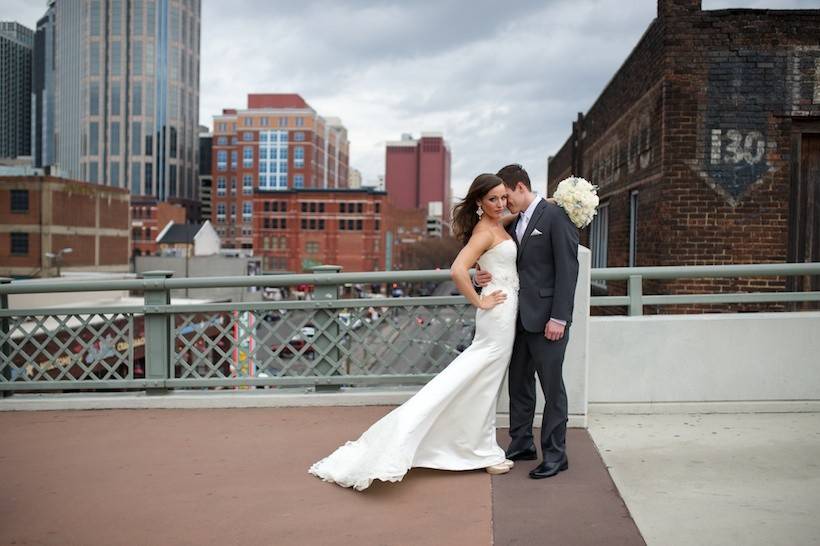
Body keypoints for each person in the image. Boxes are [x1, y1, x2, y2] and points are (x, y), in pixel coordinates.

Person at [308, 173, 519, 490]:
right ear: (479, 202)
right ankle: (480, 451)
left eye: (504, 197)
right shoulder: (483, 231)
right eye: (493, 199)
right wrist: (480, 300)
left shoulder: (497, 224)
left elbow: (514, 219)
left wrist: (544, 203)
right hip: (497, 314)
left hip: (504, 313)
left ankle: (479, 447)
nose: (501, 203)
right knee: (479, 381)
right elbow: (457, 270)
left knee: (481, 382)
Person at [475, 164, 579, 479]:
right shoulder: (514, 222)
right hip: (517, 317)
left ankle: (556, 454)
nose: (504, 203)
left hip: (549, 319)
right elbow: (505, 262)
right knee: (519, 383)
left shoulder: (555, 216)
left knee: (552, 388)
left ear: (521, 187)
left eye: (506, 196)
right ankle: (521, 442)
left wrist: (559, 317)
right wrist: (482, 278)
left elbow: (568, 269)